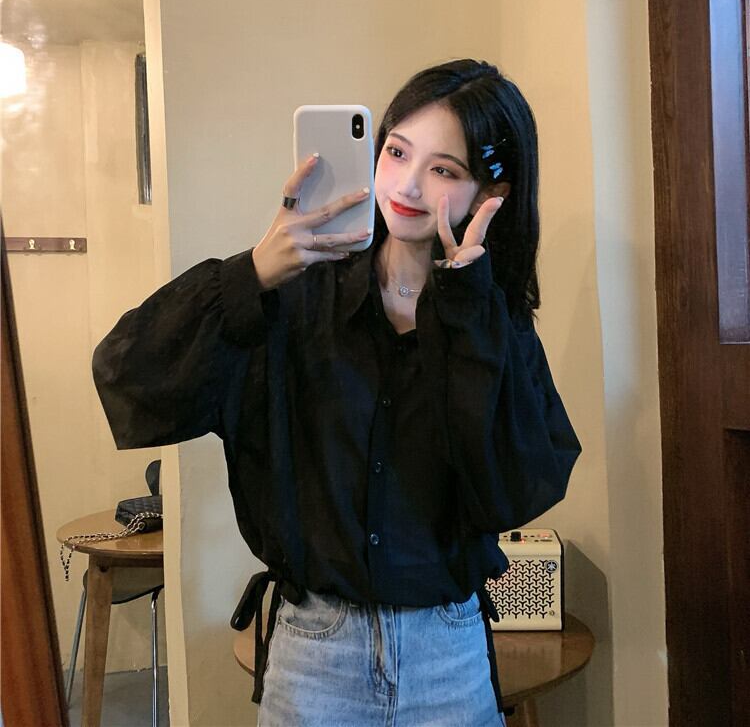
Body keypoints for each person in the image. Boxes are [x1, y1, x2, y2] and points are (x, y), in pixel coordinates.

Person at [93, 58, 582, 727]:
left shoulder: (490, 323)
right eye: (396, 152)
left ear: (489, 192)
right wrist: (249, 275)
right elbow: (129, 376)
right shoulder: (296, 299)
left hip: (447, 651)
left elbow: (512, 492)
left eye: (444, 169)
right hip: (315, 652)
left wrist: (467, 310)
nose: (407, 184)